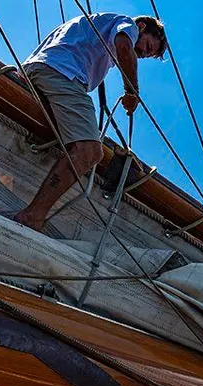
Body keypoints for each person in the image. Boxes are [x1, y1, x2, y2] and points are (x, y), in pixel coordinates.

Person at [14, 13, 167, 231]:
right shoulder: (128, 26)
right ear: (141, 27)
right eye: (148, 47)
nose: (142, 54)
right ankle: (32, 217)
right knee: (90, 152)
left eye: (147, 54)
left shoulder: (93, 26)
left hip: (37, 68)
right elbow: (124, 44)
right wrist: (132, 91)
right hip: (63, 74)